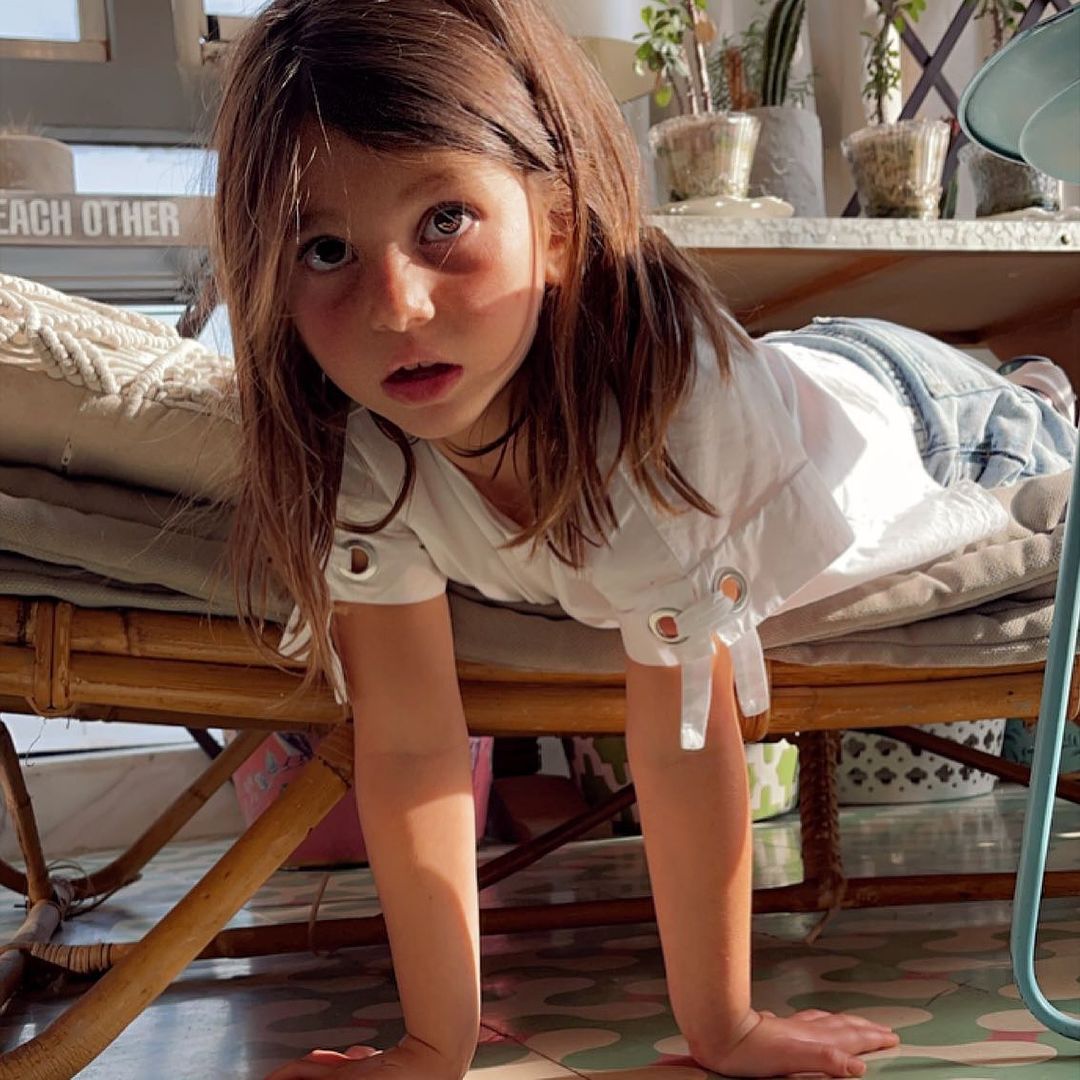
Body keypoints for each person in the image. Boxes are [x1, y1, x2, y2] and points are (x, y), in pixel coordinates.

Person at [209, 2, 1076, 1078]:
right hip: (803, 374)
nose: (397, 306)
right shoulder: (357, 447)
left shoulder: (662, 432)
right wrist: (433, 1047)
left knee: (1045, 416)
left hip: (936, 418)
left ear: (555, 227)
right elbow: (410, 744)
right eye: (327, 248)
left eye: (444, 222)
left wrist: (725, 1026)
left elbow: (682, 738)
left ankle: (1038, 381)